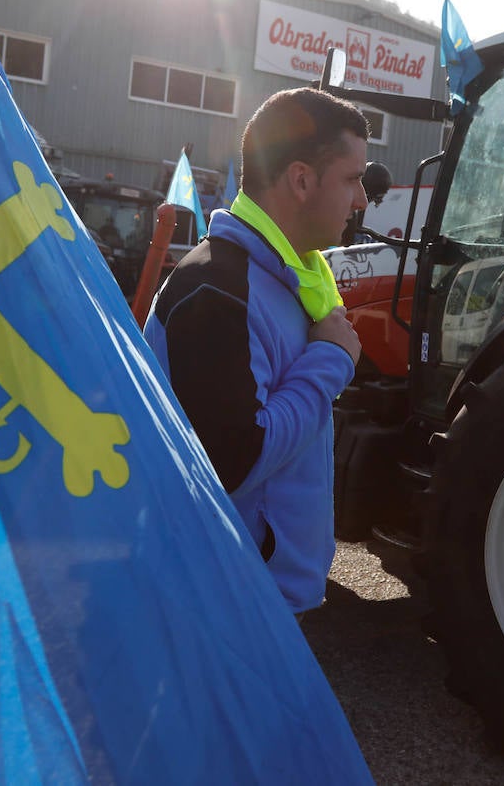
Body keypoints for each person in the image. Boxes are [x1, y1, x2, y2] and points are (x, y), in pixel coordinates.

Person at [143, 87, 368, 614]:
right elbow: (235, 459)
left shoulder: (289, 278)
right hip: (230, 606)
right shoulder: (217, 289)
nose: (362, 200)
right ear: (301, 180)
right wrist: (330, 361)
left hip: (261, 598)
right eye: (353, 179)